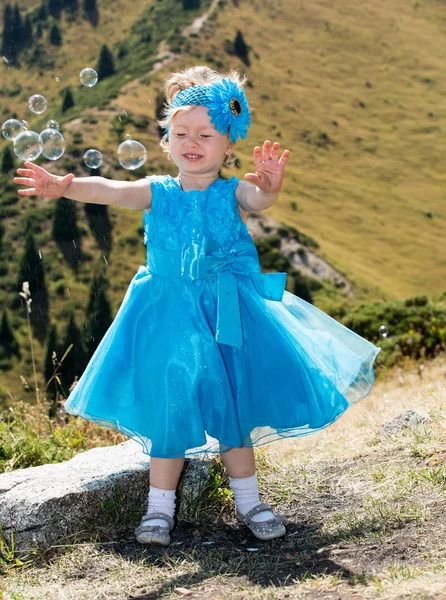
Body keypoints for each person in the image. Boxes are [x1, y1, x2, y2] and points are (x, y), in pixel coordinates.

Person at [14, 65, 381, 547]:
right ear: (165, 140)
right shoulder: (158, 192)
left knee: (233, 408)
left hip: (228, 313)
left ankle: (249, 501)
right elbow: (110, 190)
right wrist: (67, 186)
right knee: (171, 406)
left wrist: (269, 186)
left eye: (206, 134)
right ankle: (158, 511)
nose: (192, 141)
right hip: (168, 314)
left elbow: (259, 197)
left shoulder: (232, 192)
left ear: (228, 144)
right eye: (180, 132)